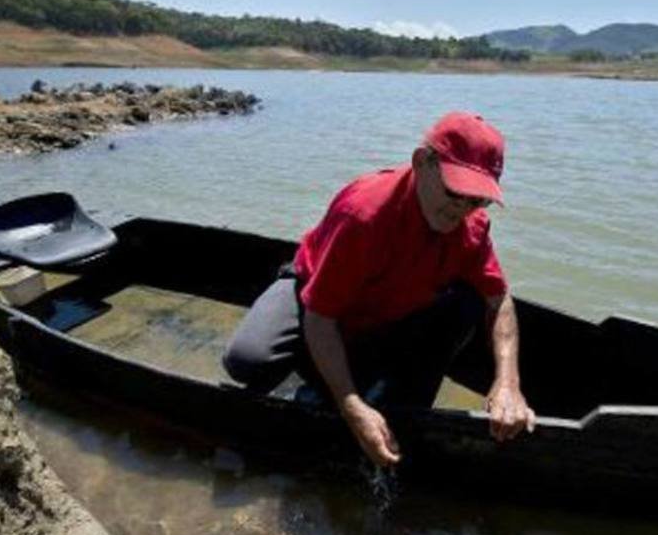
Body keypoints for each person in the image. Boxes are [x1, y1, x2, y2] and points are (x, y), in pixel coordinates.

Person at [223, 111, 535, 466]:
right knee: (247, 360)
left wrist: (508, 381)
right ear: (422, 163)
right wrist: (352, 406)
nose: (461, 210)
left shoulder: (470, 227)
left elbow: (500, 300)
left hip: (390, 307)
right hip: (314, 294)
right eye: (454, 192)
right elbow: (320, 318)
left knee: (467, 303)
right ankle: (329, 380)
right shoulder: (364, 215)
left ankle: (402, 406)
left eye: (477, 200)